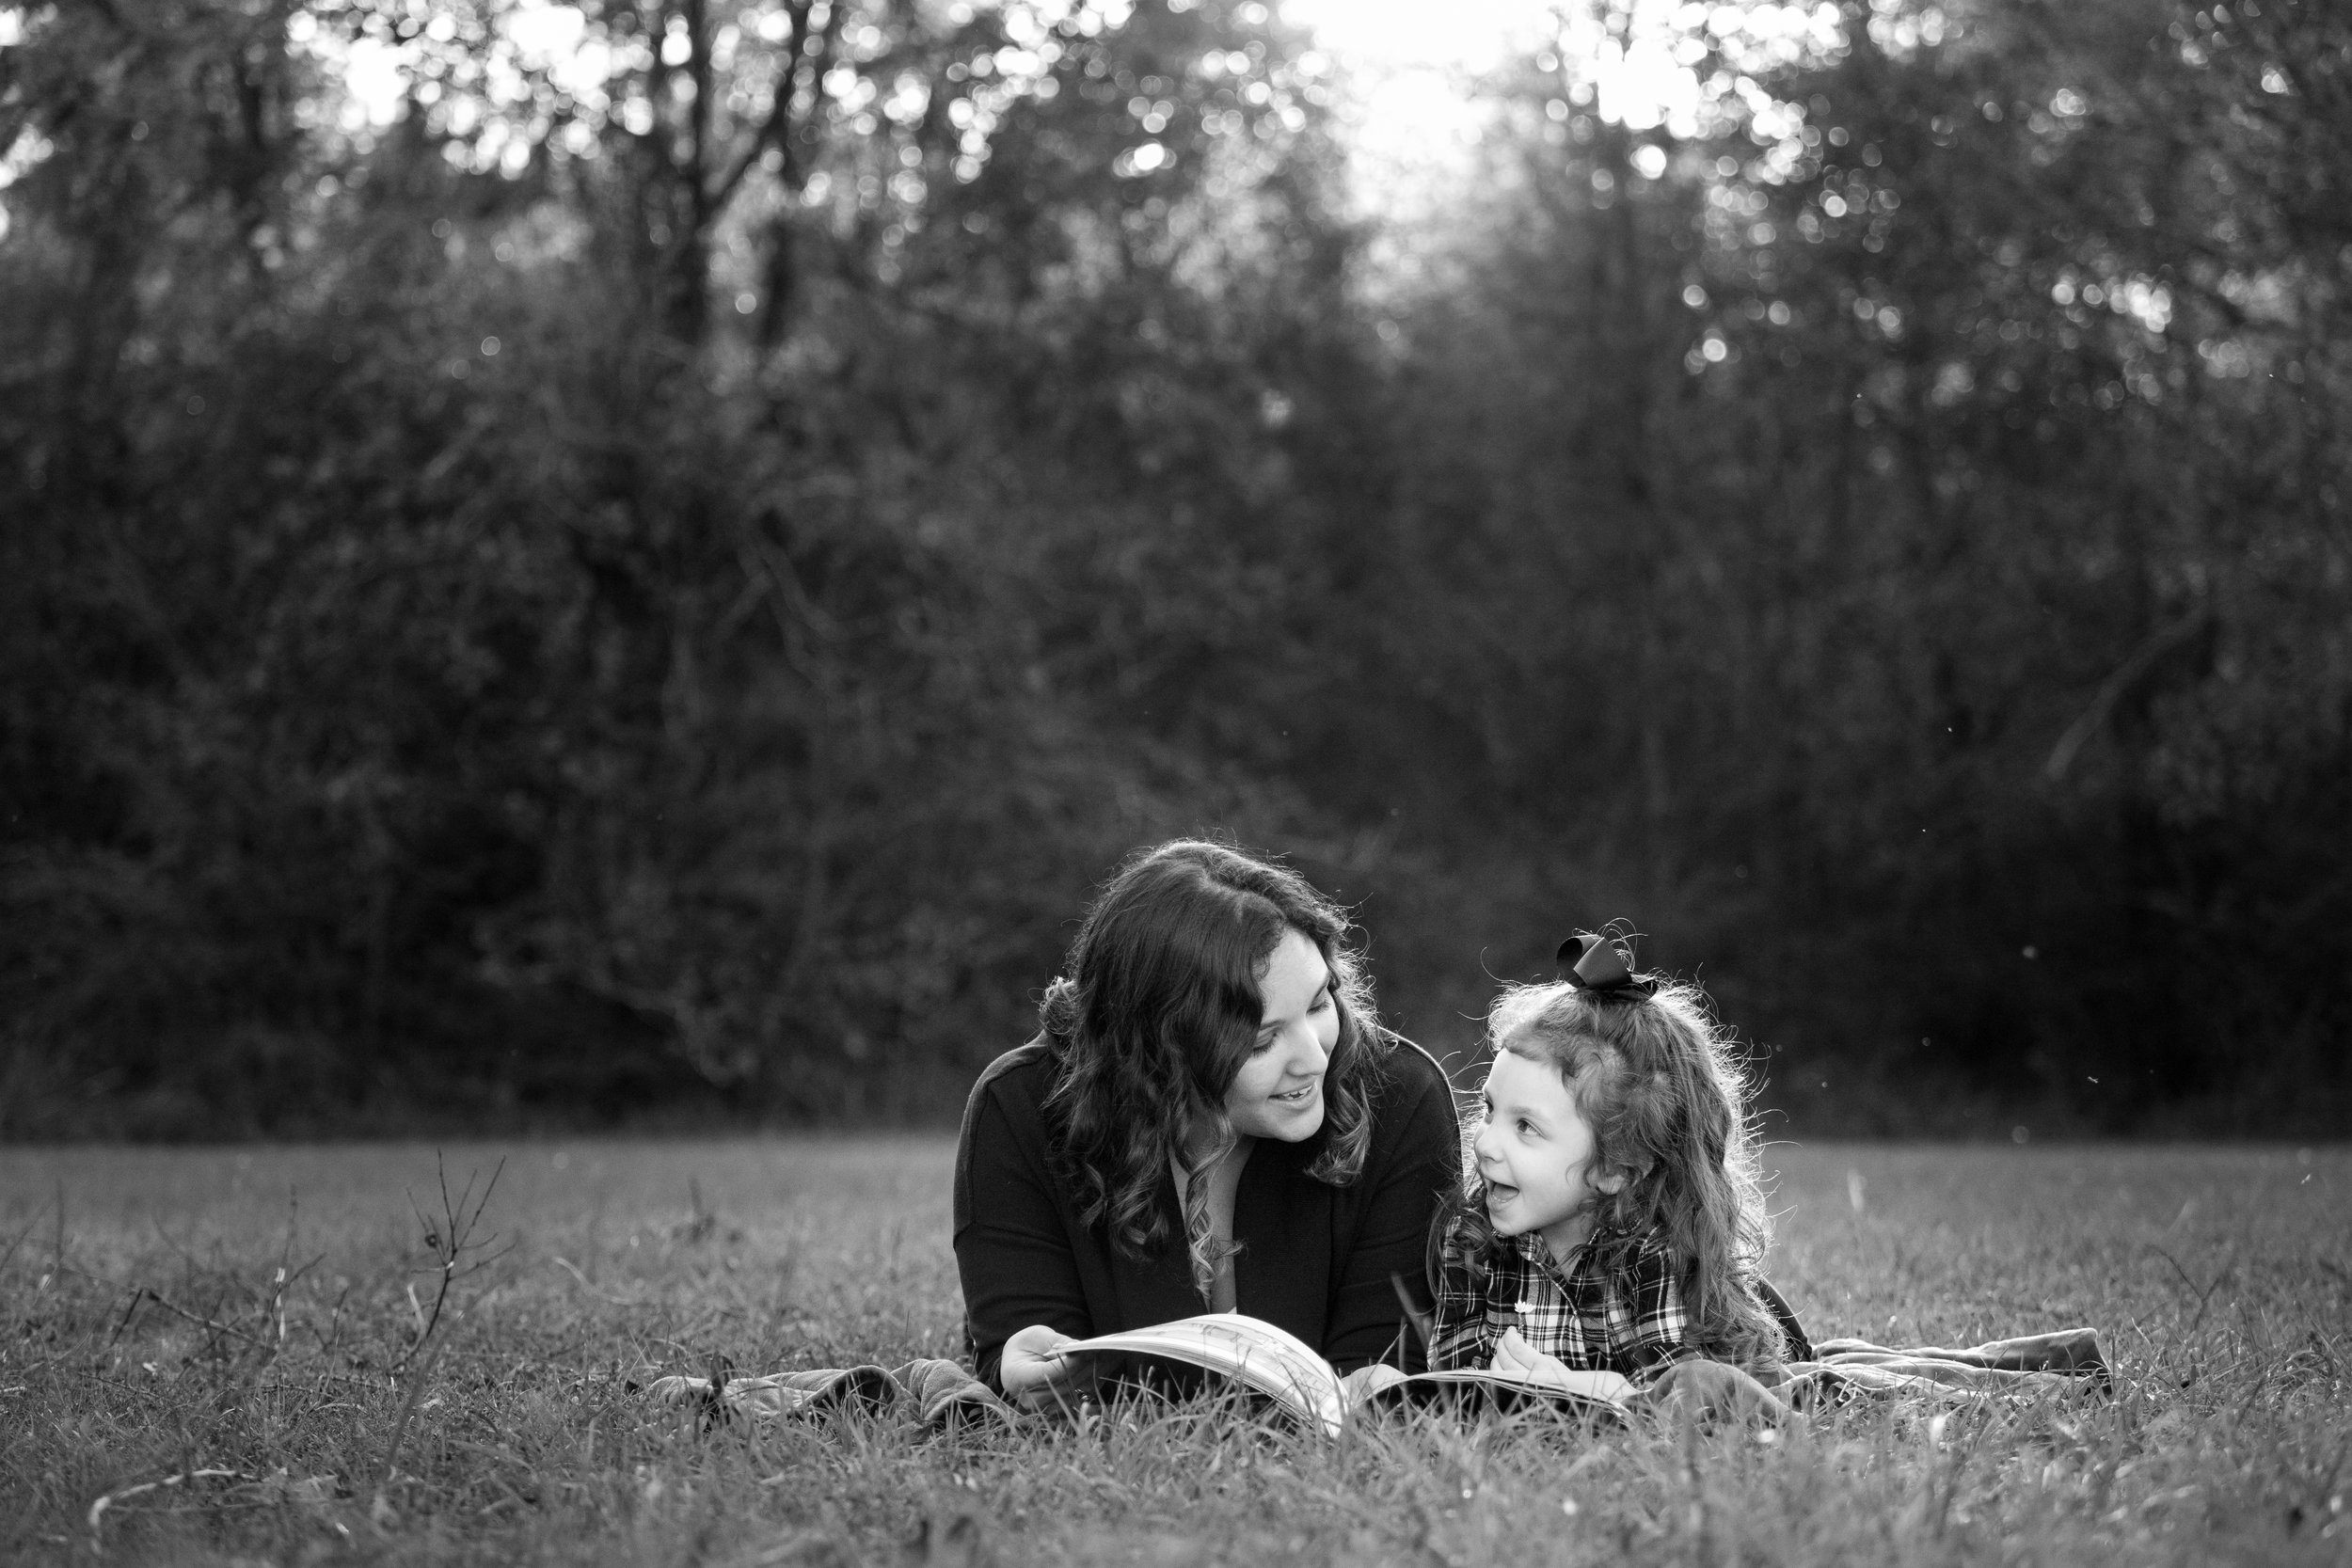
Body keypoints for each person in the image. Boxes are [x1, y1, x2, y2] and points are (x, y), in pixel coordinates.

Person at [954, 840, 1461, 1411]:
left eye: (1321, 1004)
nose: (1315, 1058)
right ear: (1161, 1050)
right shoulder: (1024, 1106)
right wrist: (1028, 1363)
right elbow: (1019, 1340)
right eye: (1263, 1040)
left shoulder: (1398, 1097)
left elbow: (1387, 1355)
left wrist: (1376, 1386)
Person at [1426, 932, 1805, 1419]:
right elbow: (1456, 1386)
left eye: (1525, 1127)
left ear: (1614, 1168)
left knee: (1820, 1384)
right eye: (1489, 1110)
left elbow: (1682, 1402)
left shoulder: (1652, 1249)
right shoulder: (1472, 1239)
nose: (1484, 1142)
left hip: (1733, 1364)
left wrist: (1586, 1388)